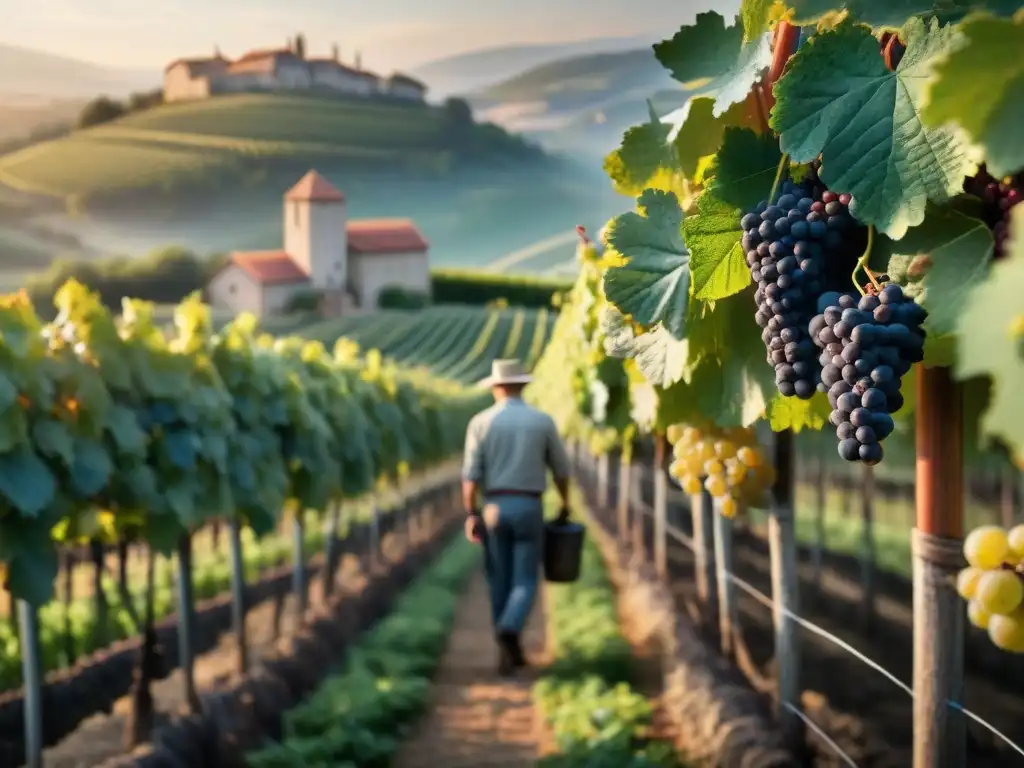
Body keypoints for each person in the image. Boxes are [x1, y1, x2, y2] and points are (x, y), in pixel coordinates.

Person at [461, 358, 571, 676]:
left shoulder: (480, 423)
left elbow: (470, 477)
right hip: (528, 506)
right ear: (522, 386)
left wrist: (471, 513)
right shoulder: (542, 422)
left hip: (495, 507)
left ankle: (504, 652)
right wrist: (565, 503)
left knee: (499, 580)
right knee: (524, 579)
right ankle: (511, 629)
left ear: (496, 387)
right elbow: (562, 470)